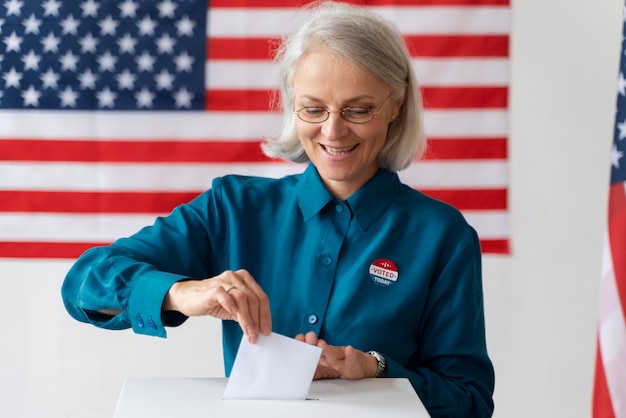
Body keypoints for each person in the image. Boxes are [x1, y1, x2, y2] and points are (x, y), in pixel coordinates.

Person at [61, 1, 495, 417]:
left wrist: (376, 369)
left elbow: (469, 399)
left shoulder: (443, 237)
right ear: (292, 104)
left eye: (358, 110)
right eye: (313, 108)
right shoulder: (232, 208)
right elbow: (84, 284)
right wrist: (182, 293)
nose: (333, 131)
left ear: (396, 105)